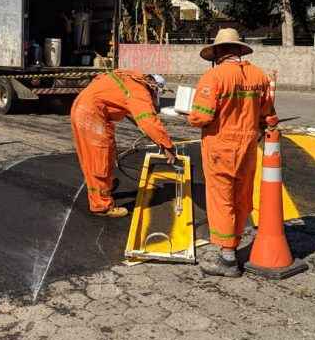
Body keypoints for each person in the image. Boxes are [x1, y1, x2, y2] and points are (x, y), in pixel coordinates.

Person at [188, 28, 278, 277]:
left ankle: (227, 258)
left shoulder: (214, 77)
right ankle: (235, 244)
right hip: (248, 148)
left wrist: (190, 116)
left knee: (222, 199)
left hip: (221, 147)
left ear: (217, 53)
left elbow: (201, 117)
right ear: (239, 50)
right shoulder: (259, 76)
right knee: (241, 196)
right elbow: (268, 115)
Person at [71, 70, 176, 218]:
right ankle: (101, 205)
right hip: (91, 114)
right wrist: (167, 145)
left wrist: (153, 136)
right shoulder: (139, 90)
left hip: (87, 108)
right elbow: (148, 120)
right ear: (153, 87)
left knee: (105, 153)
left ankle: (106, 185)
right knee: (99, 158)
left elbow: (131, 112)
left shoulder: (130, 79)